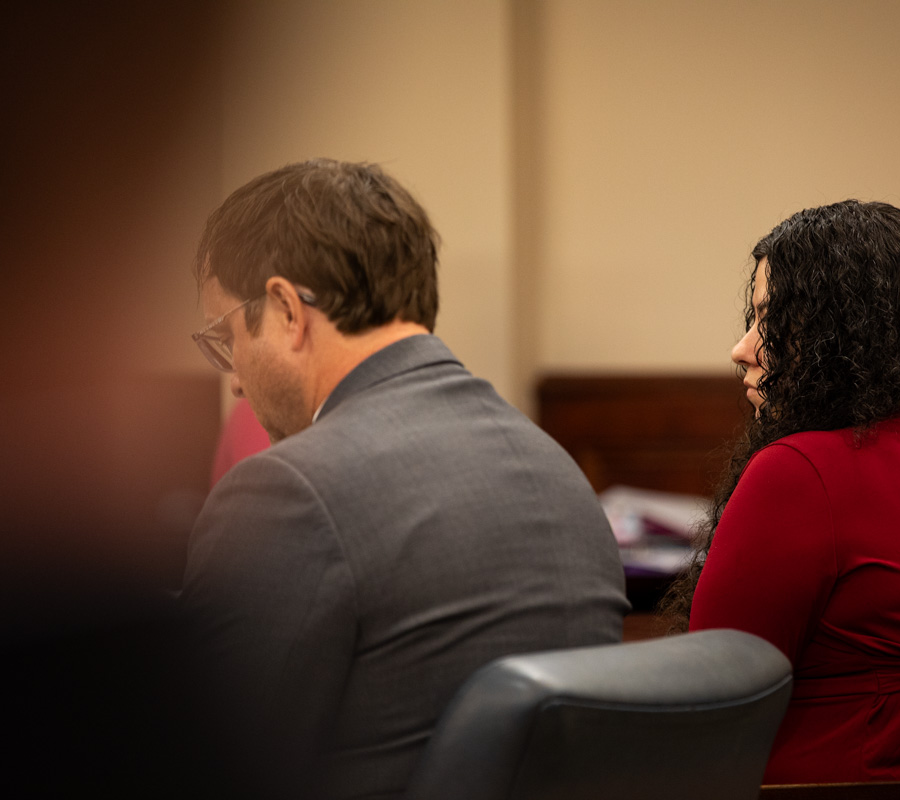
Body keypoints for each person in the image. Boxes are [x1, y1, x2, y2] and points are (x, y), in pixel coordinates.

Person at [183, 159, 629, 799]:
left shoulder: (285, 492)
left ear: (285, 309)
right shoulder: (556, 469)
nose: (234, 378)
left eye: (227, 337)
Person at [667, 200, 900, 784]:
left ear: (840, 336)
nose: (742, 349)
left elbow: (706, 707)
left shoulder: (798, 472)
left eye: (770, 321)